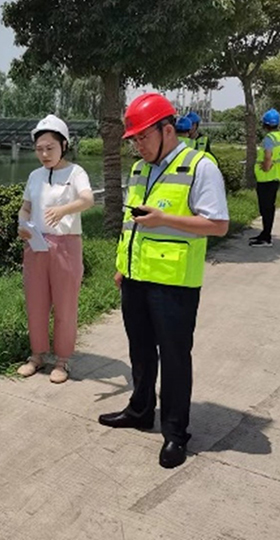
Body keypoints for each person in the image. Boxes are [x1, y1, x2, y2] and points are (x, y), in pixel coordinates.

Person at [99, 93, 229, 469]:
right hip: (136, 277)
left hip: (174, 284)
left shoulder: (200, 167)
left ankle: (175, 433)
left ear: (167, 130)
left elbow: (218, 224)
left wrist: (165, 219)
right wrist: (123, 266)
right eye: (134, 139)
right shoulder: (141, 169)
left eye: (143, 137)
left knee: (174, 358)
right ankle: (140, 410)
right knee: (140, 350)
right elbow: (133, 224)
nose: (138, 145)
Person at [16, 115, 94, 384]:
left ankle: (62, 359)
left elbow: (87, 199)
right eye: (39, 149)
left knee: (65, 305)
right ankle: (37, 355)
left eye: (50, 148)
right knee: (35, 303)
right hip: (36, 244)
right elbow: (26, 207)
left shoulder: (76, 173)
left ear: (64, 145)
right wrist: (22, 224)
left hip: (66, 245)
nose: (44, 154)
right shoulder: (35, 176)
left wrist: (63, 210)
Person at [250, 108, 280, 247]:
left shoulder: (269, 139)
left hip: (265, 177)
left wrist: (266, 167)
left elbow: (268, 157)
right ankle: (265, 233)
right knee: (269, 207)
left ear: (265, 124)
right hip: (275, 177)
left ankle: (266, 237)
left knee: (265, 208)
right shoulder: (278, 137)